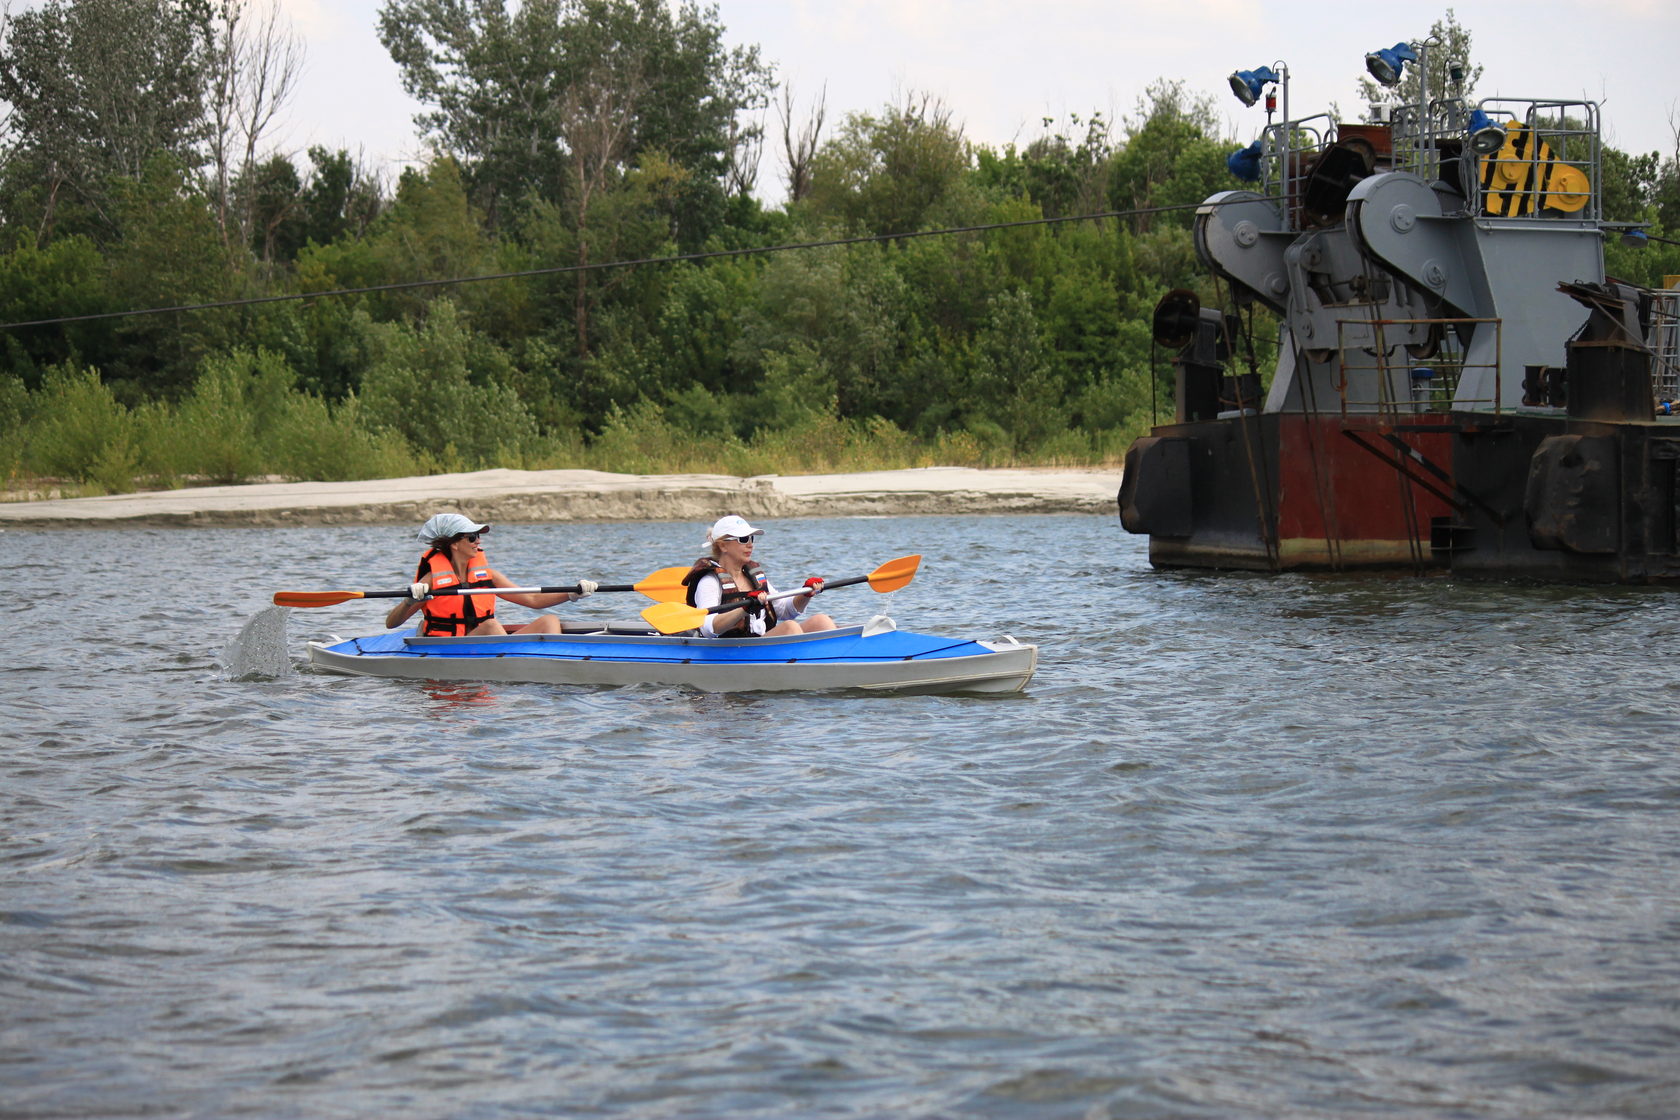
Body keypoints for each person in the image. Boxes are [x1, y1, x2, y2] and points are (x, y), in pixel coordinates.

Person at [385, 513, 597, 637]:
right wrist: (409, 601)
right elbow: (392, 623)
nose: (478, 541)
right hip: (450, 646)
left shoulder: (489, 575)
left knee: (549, 621)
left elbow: (533, 599)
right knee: (490, 625)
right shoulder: (431, 581)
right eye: (472, 537)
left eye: (478, 536)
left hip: (485, 642)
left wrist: (572, 594)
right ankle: (521, 661)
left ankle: (552, 663)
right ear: (454, 544)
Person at [682, 515, 836, 638]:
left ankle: (839, 664)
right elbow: (708, 628)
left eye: (751, 538)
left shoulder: (754, 577)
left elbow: (785, 610)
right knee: (790, 628)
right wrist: (744, 609)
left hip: (758, 645)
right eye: (743, 539)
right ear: (723, 546)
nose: (750, 544)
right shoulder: (709, 582)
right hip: (730, 650)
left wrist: (806, 594)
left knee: (821, 621)